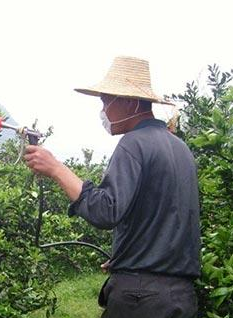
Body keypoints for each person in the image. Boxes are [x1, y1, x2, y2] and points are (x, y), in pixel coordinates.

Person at [24, 56, 200, 318]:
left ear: (129, 102)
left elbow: (105, 212)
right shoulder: (180, 148)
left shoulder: (134, 143)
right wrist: (129, 258)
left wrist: (55, 168)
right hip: (181, 298)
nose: (103, 109)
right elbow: (166, 223)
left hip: (140, 300)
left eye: (106, 100)